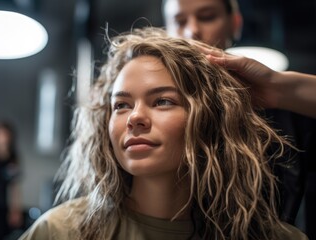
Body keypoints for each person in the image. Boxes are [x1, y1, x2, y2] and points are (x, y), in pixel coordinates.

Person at [19, 27, 307, 240]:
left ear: (208, 118)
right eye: (121, 105)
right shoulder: (60, 232)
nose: (135, 118)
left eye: (163, 101)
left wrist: (282, 89)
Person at [162, 0, 314, 226]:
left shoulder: (281, 108)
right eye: (179, 21)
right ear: (166, 32)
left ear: (235, 24)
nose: (192, 30)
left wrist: (276, 88)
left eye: (207, 17)